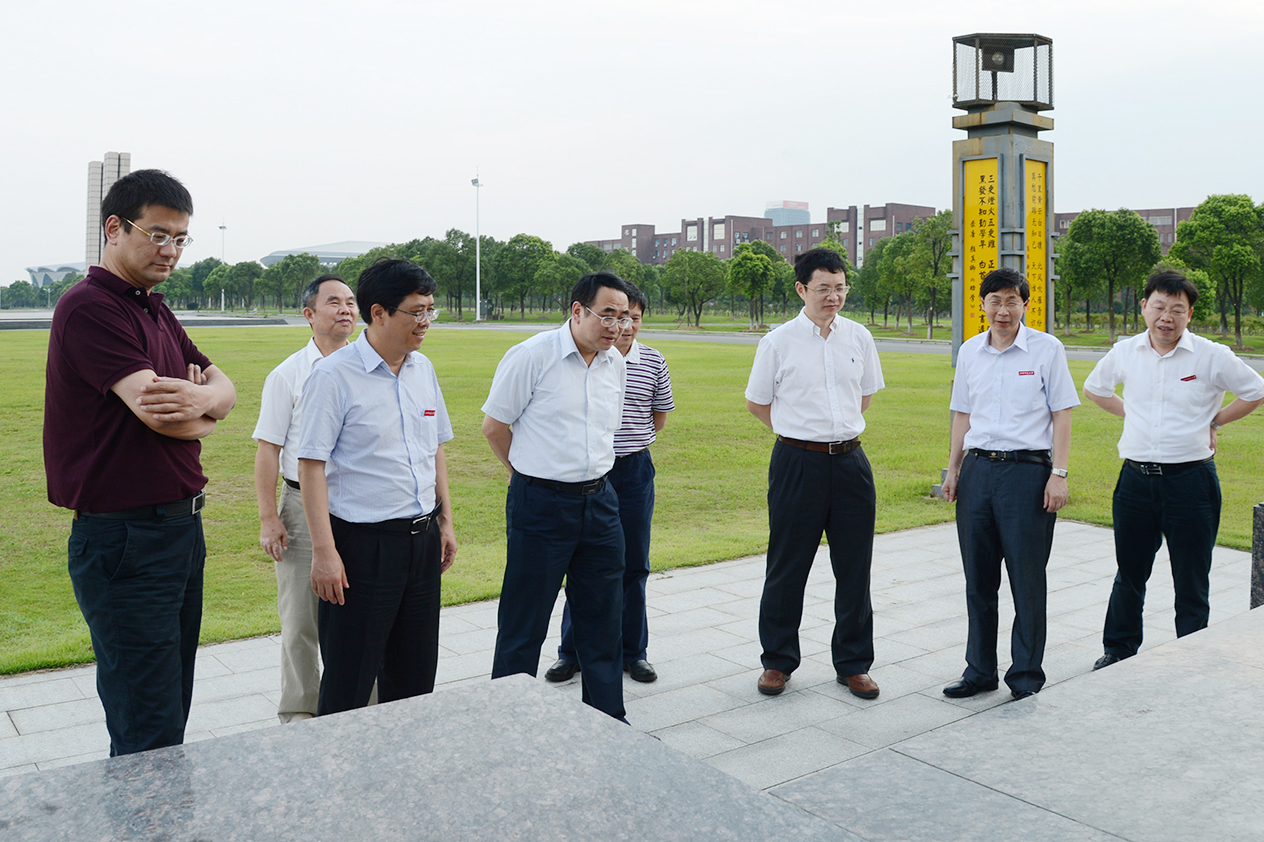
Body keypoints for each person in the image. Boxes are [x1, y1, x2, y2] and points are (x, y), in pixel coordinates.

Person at [44, 169, 237, 755]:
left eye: (180, 238)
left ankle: (165, 804)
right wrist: (205, 411)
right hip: (126, 540)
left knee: (171, 706)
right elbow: (162, 418)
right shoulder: (90, 308)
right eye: (157, 234)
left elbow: (225, 388)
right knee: (146, 724)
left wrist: (204, 400)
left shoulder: (154, 309)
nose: (170, 250)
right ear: (114, 228)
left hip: (179, 530)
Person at [297, 257, 457, 715]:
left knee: (415, 676)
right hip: (362, 549)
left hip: (421, 544)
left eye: (430, 310)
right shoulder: (333, 375)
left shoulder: (422, 369)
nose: (426, 321)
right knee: (349, 681)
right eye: (416, 311)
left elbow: (434, 449)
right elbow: (311, 467)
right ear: (379, 312)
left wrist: (445, 521)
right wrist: (324, 553)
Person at [1084, 269, 1264, 670]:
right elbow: (1095, 389)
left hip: (1191, 482)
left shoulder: (1211, 355)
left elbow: (1256, 391)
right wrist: (1134, 415)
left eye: (1177, 310)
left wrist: (1214, 421)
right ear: (1144, 306)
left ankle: (1192, 654)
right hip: (1135, 481)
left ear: (1189, 314)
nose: (1166, 317)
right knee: (1130, 572)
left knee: (1191, 575)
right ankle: (1119, 649)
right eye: (1159, 307)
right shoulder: (1126, 351)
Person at [483, 272, 631, 720]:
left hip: (600, 503)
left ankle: (607, 719)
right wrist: (528, 475)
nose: (616, 326)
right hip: (541, 505)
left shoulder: (615, 362)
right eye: (608, 315)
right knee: (524, 622)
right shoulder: (532, 355)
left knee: (603, 620)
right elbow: (495, 427)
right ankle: (509, 721)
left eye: (624, 317)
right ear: (578, 310)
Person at [744, 247, 884, 700]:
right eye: (823, 288)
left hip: (850, 464)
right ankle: (777, 661)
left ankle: (854, 664)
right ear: (801, 289)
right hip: (796, 464)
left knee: (855, 567)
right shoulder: (777, 342)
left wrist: (832, 434)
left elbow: (864, 397)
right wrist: (797, 434)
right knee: (787, 565)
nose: (833, 297)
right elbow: (757, 403)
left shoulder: (859, 337)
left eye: (840, 288)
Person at [940, 267, 1077, 701]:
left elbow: (1062, 414)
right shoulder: (970, 351)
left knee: (1026, 578)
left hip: (1027, 474)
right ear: (982, 304)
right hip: (978, 472)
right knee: (979, 581)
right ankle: (979, 671)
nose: (1003, 310)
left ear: (1025, 305)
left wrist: (1058, 474)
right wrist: (953, 470)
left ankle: (1025, 675)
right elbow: (962, 414)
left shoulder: (1047, 349)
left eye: (1011, 301)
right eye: (995, 301)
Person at [545, 283, 675, 685]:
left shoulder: (653, 361)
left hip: (632, 472)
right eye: (618, 317)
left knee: (634, 565)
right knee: (582, 564)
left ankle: (634, 653)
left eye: (633, 318)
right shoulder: (585, 359)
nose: (625, 326)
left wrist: (629, 445)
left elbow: (658, 417)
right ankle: (572, 652)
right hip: (588, 474)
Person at [252, 274, 357, 723]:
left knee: (360, 618)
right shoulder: (289, 374)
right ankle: (299, 711)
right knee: (300, 618)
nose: (345, 310)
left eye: (351, 301)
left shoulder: (368, 367)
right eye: (334, 302)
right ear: (309, 314)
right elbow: (268, 449)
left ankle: (361, 704)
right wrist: (268, 518)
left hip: (357, 506)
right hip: (299, 505)